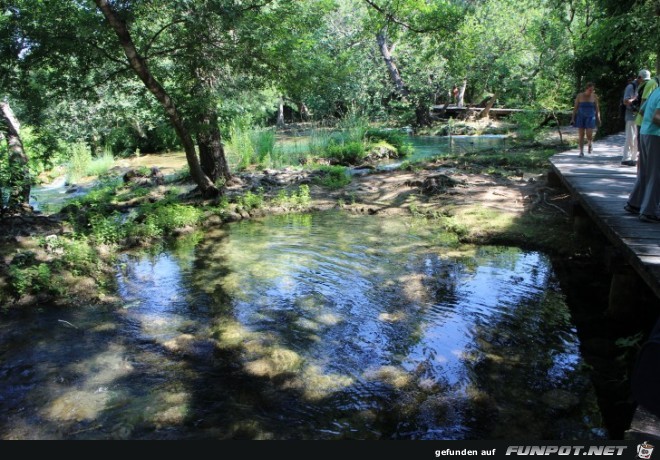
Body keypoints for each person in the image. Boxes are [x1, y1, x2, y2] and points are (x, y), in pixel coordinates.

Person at [624, 73, 660, 223]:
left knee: (645, 172)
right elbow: (657, 117)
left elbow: (643, 110)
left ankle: (635, 203)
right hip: (656, 136)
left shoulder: (656, 91)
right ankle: (648, 211)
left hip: (645, 133)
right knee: (656, 174)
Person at [570, 82, 601, 157]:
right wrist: (572, 118)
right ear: (586, 89)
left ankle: (590, 142)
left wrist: (598, 118)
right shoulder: (580, 96)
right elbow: (575, 108)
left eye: (593, 90)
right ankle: (581, 152)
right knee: (581, 134)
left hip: (590, 117)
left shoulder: (594, 96)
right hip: (581, 116)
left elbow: (597, 108)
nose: (591, 91)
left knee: (589, 133)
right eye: (590, 90)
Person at [633, 69, 659, 156]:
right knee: (644, 156)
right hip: (645, 124)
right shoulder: (653, 83)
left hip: (646, 125)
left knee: (643, 156)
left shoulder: (653, 84)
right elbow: (643, 106)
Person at [620, 75, 638, 166]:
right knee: (630, 137)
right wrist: (634, 99)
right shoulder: (631, 87)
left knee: (635, 138)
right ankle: (626, 157)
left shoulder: (641, 87)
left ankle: (634, 158)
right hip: (631, 115)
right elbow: (625, 101)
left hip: (638, 116)